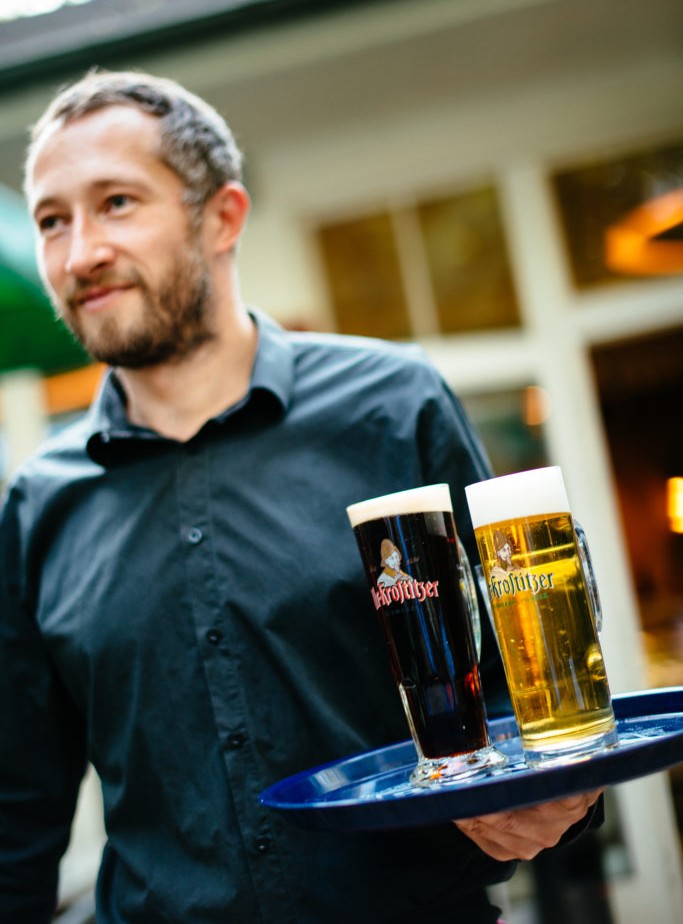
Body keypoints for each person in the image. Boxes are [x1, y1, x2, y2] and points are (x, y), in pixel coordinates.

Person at [0, 69, 601, 923]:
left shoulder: (394, 405)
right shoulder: (37, 504)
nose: (79, 252)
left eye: (117, 203)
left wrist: (553, 801)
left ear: (222, 217)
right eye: (52, 220)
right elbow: (15, 811)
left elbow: (527, 687)